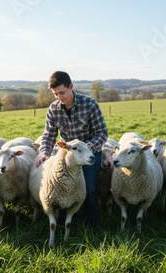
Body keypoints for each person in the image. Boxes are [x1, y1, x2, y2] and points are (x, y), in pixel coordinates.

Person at [36, 71, 108, 227]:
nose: (59, 97)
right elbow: (49, 136)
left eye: (62, 92)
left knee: (89, 189)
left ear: (71, 87)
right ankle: (62, 223)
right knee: (62, 189)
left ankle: (90, 225)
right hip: (67, 156)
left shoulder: (90, 104)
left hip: (90, 154)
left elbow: (102, 132)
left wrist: (89, 147)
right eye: (55, 94)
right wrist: (44, 154)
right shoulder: (53, 109)